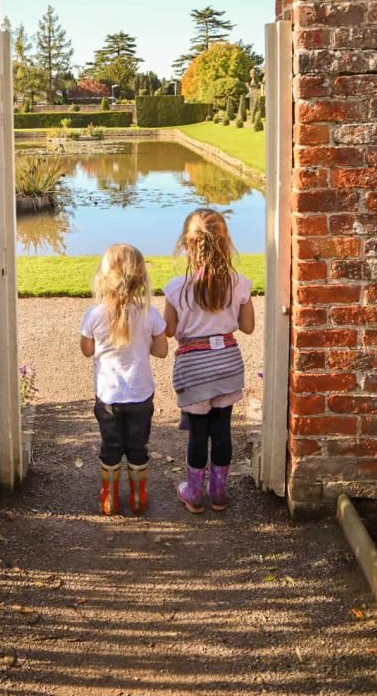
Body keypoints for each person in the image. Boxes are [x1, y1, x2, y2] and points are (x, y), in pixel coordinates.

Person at [163, 208, 255, 513]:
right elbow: (248, 326)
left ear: (187, 245)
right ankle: (218, 492)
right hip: (227, 362)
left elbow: (171, 330)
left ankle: (194, 492)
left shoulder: (176, 288)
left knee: (198, 432)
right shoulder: (239, 283)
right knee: (223, 428)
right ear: (225, 242)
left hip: (193, 367)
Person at [80, 244, 168, 516]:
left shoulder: (94, 315)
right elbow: (162, 351)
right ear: (141, 277)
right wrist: (143, 344)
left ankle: (109, 497)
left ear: (104, 278)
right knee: (137, 445)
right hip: (140, 395)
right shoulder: (149, 314)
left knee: (111, 445)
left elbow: (87, 350)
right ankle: (138, 496)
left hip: (108, 395)